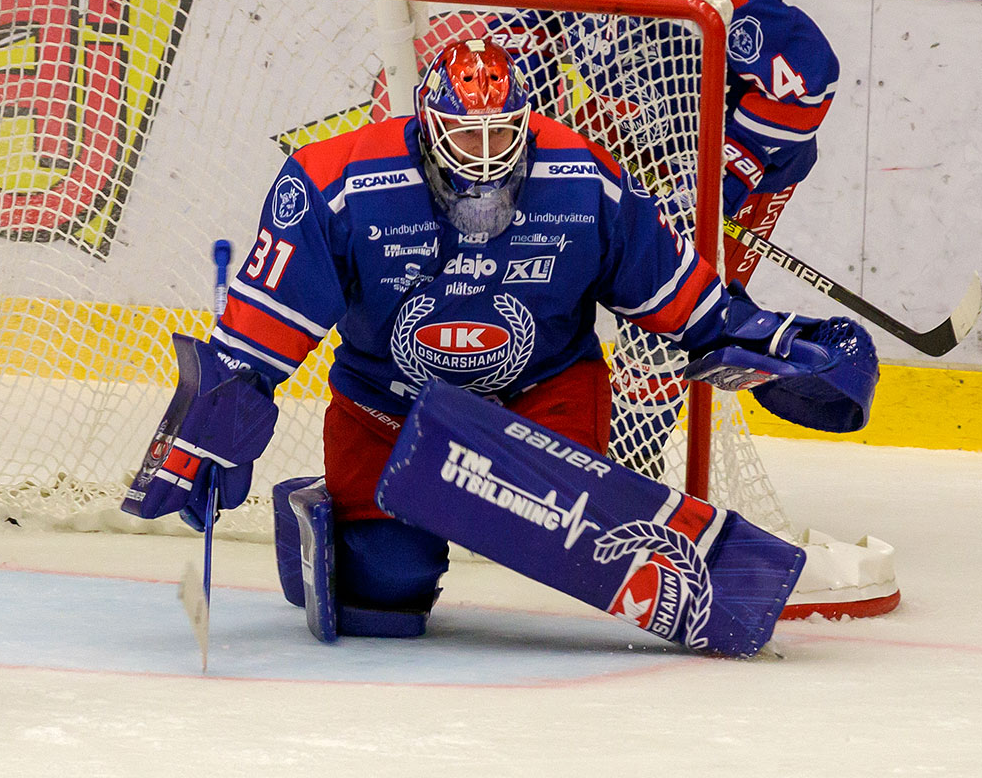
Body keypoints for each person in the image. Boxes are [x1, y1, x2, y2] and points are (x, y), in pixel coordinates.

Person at [122, 38, 875, 640]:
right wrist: (212, 430)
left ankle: (499, 488)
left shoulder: (584, 178)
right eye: (464, 135)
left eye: (500, 134)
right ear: (425, 129)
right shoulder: (336, 183)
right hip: (386, 404)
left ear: (527, 125)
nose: (483, 155)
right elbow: (258, 336)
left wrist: (772, 344)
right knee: (387, 591)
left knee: (561, 513)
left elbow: (681, 299)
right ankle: (325, 526)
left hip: (540, 394)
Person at [522, 0, 842, 474]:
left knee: (663, 322)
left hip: (737, 165)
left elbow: (808, 78)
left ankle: (633, 477)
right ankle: (549, 445)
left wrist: (715, 182)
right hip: (637, 141)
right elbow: (534, 34)